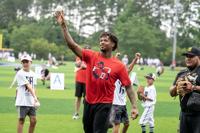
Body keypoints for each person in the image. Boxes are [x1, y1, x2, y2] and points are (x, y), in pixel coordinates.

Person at [55, 11, 138, 133]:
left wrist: (134, 107)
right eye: (101, 40)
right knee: (88, 130)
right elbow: (72, 45)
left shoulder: (119, 66)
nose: (102, 42)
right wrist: (63, 26)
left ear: (113, 44)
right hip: (88, 103)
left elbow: (129, 87)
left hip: (104, 104)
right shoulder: (91, 56)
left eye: (105, 40)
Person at [169, 47, 200, 133]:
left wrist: (193, 87)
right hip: (184, 115)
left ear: (199, 57)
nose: (188, 58)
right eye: (186, 56)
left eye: (191, 56)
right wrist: (176, 86)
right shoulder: (182, 73)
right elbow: (171, 93)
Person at [110, 53, 141, 133]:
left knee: (127, 124)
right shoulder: (116, 77)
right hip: (116, 104)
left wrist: (135, 60)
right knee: (117, 125)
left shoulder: (125, 76)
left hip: (122, 104)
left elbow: (129, 68)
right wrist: (115, 57)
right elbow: (115, 65)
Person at [15, 55, 40, 133]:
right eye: (23, 62)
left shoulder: (33, 74)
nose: (25, 64)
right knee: (21, 120)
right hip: (22, 101)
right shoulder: (20, 73)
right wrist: (35, 97)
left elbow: (34, 87)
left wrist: (35, 99)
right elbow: (28, 86)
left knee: (33, 120)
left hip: (31, 101)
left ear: (31, 62)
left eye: (27, 62)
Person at [73, 45, 90, 120]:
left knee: (87, 98)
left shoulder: (91, 58)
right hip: (79, 80)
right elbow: (76, 64)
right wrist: (82, 61)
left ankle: (86, 114)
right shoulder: (79, 57)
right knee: (78, 97)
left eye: (88, 50)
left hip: (88, 81)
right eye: (85, 50)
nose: (87, 51)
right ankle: (76, 113)